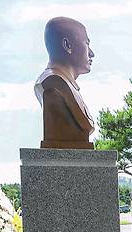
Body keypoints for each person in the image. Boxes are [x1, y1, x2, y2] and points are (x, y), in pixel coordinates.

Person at [34, 17, 95, 149]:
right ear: (67, 45)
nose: (92, 53)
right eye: (87, 43)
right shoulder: (53, 84)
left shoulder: (69, 86)